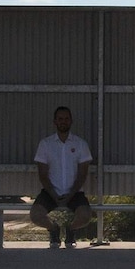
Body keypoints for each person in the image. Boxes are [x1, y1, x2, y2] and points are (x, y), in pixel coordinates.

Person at [30, 106, 93, 248]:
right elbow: (43, 174)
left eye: (66, 119)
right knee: (35, 214)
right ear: (55, 122)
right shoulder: (45, 144)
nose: (63, 122)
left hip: (75, 192)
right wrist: (53, 194)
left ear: (71, 121)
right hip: (50, 191)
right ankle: (54, 230)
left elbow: (82, 174)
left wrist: (70, 195)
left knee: (85, 216)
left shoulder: (81, 144)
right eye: (60, 119)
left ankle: (71, 231)